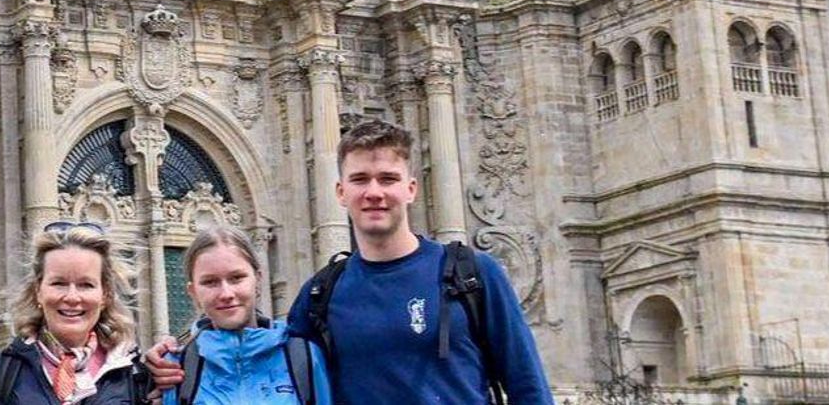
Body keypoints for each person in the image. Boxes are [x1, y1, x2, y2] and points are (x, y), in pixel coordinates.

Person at [147, 120, 553, 405]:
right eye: (360, 180)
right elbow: (263, 360)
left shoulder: (472, 276)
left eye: (387, 179)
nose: (374, 192)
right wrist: (176, 357)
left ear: (411, 188)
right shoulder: (322, 293)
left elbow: (527, 385)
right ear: (341, 192)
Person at [155, 226, 332, 405]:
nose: (226, 293)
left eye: (236, 278)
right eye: (210, 282)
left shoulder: (304, 356)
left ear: (257, 280)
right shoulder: (175, 368)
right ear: (193, 292)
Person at [0, 222, 143, 405]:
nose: (72, 297)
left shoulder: (134, 374)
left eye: (86, 285)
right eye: (59, 283)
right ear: (38, 291)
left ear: (105, 295)